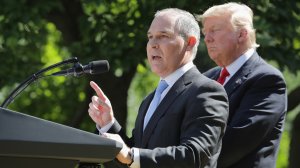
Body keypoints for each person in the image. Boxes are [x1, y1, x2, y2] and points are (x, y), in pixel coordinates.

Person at [88, 8, 229, 168]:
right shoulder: (150, 100)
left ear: (190, 43)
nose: (153, 44)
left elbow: (194, 156)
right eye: (150, 37)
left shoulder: (206, 91)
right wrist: (108, 124)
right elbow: (132, 157)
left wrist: (130, 155)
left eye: (163, 36)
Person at [197, 2, 287, 168]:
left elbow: (234, 144)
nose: (207, 38)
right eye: (205, 32)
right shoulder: (206, 78)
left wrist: (180, 159)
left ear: (242, 35)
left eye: (214, 30)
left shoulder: (267, 80)